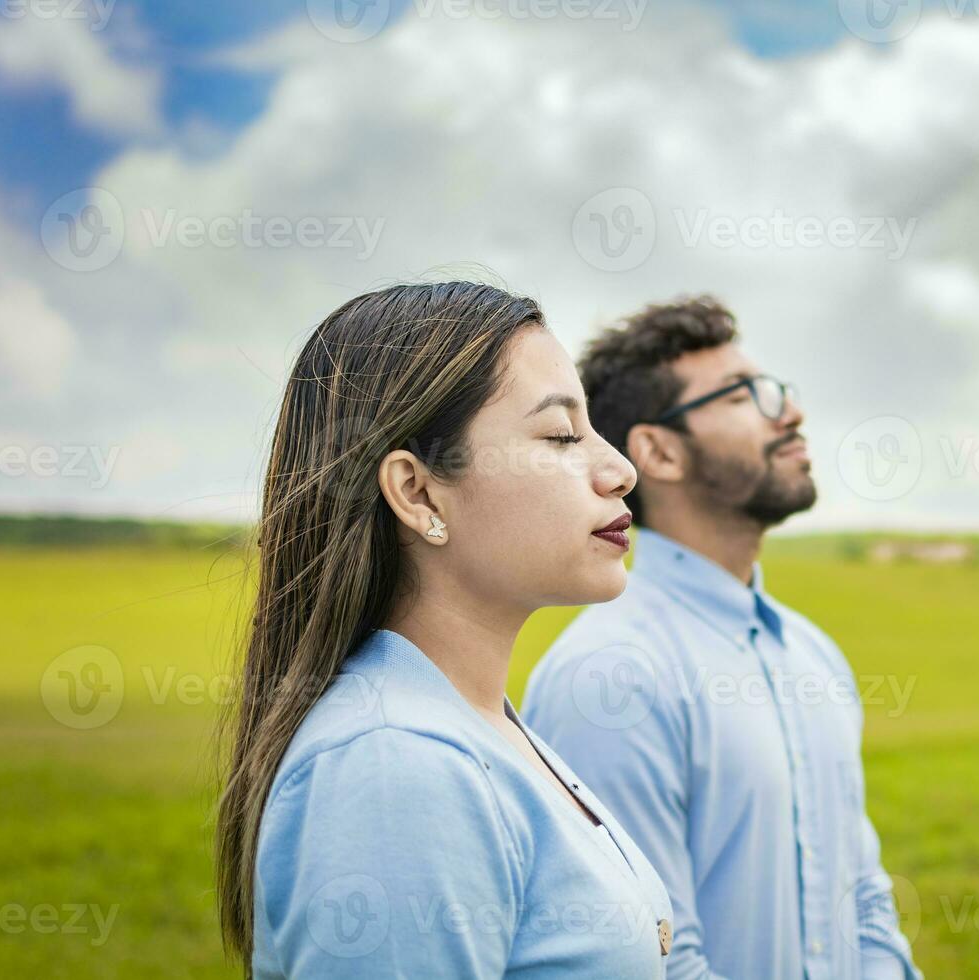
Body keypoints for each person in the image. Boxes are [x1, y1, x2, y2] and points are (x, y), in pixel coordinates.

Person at [214, 281, 673, 978]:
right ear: (417, 491)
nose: (619, 470)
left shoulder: (478, 727)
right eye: (559, 435)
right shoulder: (395, 767)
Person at [522, 296, 922, 980]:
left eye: (777, 392)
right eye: (744, 397)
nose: (788, 413)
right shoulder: (610, 677)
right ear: (658, 451)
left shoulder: (814, 653)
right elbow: (654, 960)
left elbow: (865, 905)